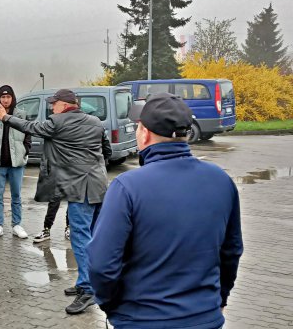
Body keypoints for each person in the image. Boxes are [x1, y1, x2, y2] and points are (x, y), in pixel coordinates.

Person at [88, 93, 243, 329]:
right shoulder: (221, 180)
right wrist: (219, 299)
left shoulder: (126, 187)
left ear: (145, 133)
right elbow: (231, 251)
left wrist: (111, 306)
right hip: (205, 318)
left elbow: (101, 265)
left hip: (141, 320)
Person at [0, 88, 108, 315]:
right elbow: (106, 150)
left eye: (54, 104)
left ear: (64, 104)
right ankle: (84, 283)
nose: (52, 107)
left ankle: (89, 290)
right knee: (92, 237)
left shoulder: (58, 122)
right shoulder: (95, 121)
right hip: (99, 186)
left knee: (82, 240)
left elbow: (31, 127)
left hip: (79, 189)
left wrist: (4, 117)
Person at [33, 128, 111, 243]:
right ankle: (48, 229)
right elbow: (107, 151)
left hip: (75, 172)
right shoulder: (64, 127)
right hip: (64, 171)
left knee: (70, 200)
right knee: (57, 201)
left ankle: (65, 228)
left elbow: (107, 150)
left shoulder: (79, 129)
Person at [0, 85, 31, 240]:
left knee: (16, 196)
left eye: (8, 97)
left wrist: (24, 152)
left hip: (16, 164)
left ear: (13, 98)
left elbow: (28, 136)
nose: (5, 100)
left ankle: (17, 225)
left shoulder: (21, 115)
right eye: (2, 97)